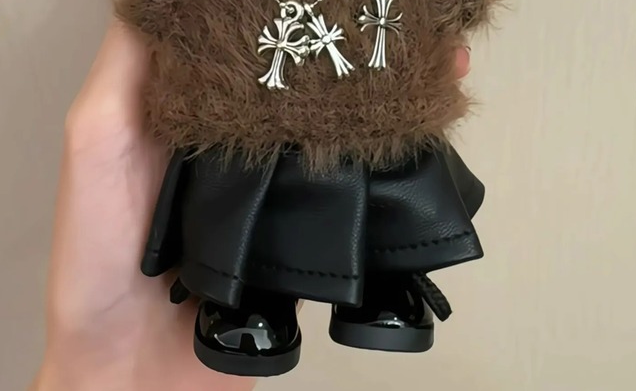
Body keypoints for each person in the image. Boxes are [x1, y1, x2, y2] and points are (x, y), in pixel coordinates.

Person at [28, 20, 474, 390]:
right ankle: (253, 289)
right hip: (248, 91)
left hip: (370, 67)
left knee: (389, 136)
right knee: (246, 167)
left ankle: (385, 270)